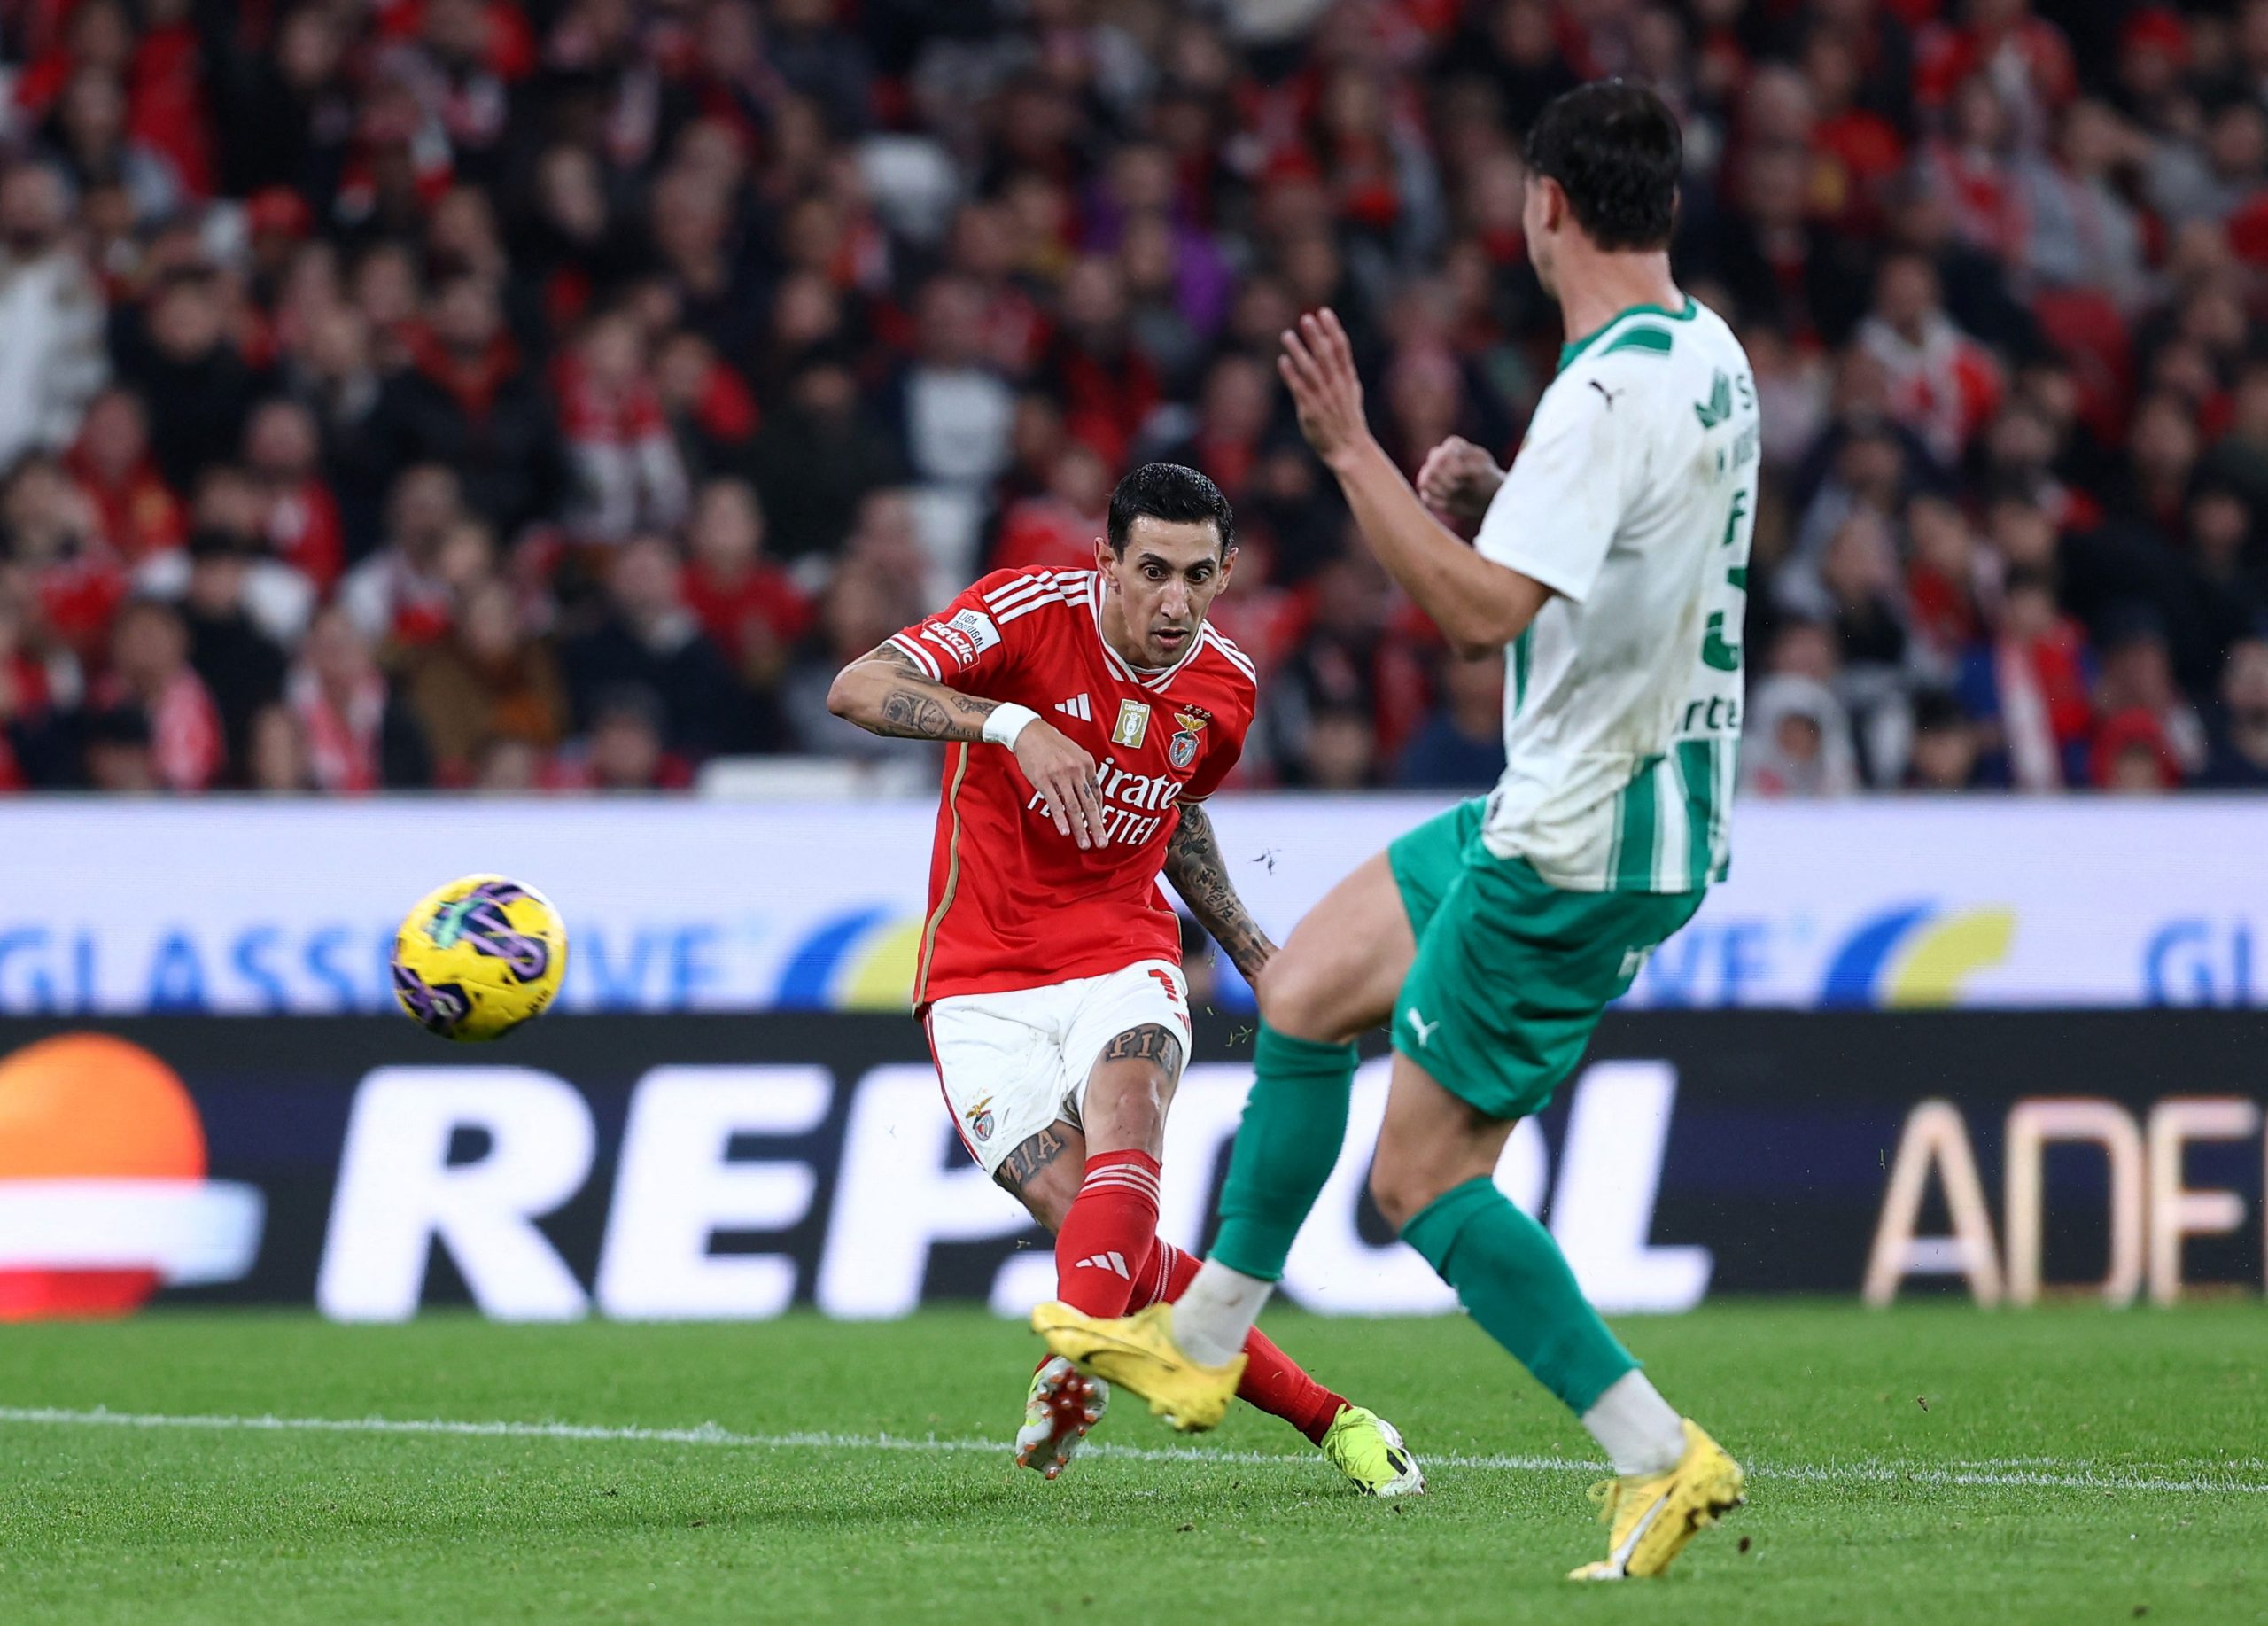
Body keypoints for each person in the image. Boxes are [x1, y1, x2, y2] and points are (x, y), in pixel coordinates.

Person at [1037, 82, 1748, 1582]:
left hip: (1575, 838)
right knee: (1300, 992)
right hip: (1609, 796)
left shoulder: (1606, 389)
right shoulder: (1705, 359)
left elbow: (1479, 618)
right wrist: (1508, 495)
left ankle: (1656, 1453)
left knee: (1419, 1181)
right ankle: (1209, 1337)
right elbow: (1640, 556)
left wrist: (1353, 450)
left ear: (1545, 203)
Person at [826, 462, 1419, 1495]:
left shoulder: (1225, 687)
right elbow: (856, 687)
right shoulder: (1022, 612)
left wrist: (1250, 949)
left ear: (1227, 571)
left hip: (1120, 943)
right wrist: (1010, 721)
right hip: (977, 974)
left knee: (1130, 1110)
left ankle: (1072, 1360)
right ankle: (1336, 1419)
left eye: (1198, 575)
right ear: (1105, 561)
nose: (1173, 600)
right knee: (1108, 1238)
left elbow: (1178, 810)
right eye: (1150, 569)